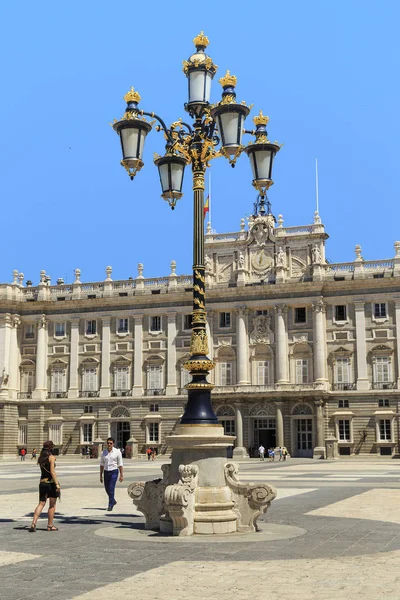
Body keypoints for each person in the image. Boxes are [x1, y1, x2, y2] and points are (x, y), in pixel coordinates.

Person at [29, 440, 60, 532]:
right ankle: (50, 526)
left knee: (41, 503)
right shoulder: (51, 457)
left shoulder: (40, 458)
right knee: (52, 504)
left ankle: (33, 523)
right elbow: (52, 472)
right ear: (51, 448)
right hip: (51, 483)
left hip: (42, 482)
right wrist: (57, 484)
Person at [100, 437, 123, 511]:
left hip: (114, 471)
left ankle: (110, 505)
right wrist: (100, 475)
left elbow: (120, 464)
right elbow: (102, 464)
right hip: (106, 472)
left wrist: (121, 475)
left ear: (113, 444)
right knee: (107, 488)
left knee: (111, 488)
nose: (109, 444)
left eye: (111, 443)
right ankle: (113, 500)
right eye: (108, 443)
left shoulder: (117, 452)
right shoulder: (104, 452)